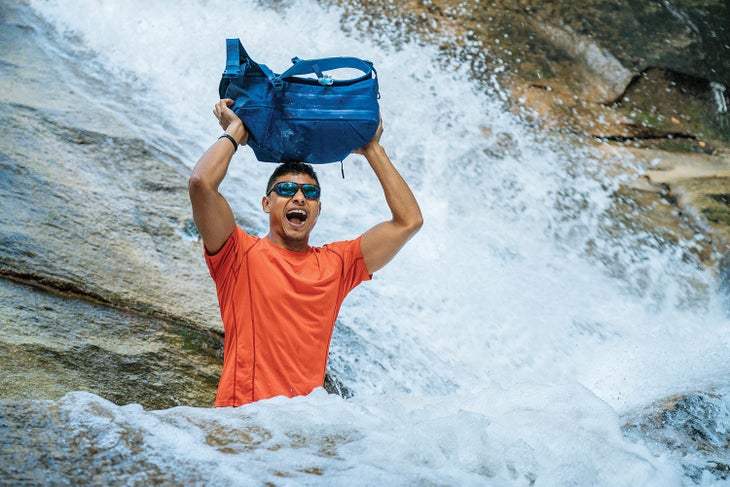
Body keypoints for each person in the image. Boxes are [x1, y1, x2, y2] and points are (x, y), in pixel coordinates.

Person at [189, 99, 423, 407]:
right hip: (242, 425)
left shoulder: (338, 264)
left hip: (302, 434)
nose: (299, 197)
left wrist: (373, 150)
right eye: (286, 190)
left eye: (310, 193)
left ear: (318, 209)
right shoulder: (237, 254)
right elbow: (201, 183)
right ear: (266, 203)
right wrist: (236, 130)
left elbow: (409, 221)